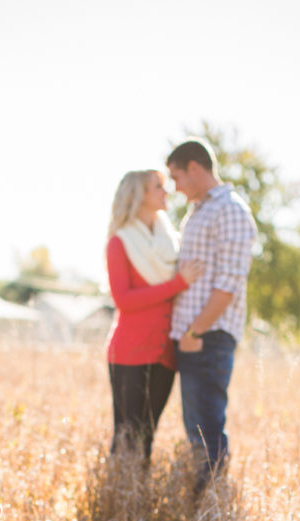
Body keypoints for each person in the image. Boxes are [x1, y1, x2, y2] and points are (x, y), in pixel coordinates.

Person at [167, 138, 257, 489]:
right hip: (194, 335)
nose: (175, 187)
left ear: (195, 167)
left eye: (177, 177)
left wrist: (195, 332)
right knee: (195, 430)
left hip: (208, 336)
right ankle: (202, 505)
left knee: (205, 430)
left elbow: (229, 283)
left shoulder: (229, 209)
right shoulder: (200, 209)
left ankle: (212, 509)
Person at [105, 169, 203, 459]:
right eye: (157, 187)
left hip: (164, 353)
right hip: (129, 352)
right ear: (139, 195)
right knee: (126, 436)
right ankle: (118, 498)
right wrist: (178, 284)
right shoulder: (119, 242)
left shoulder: (171, 241)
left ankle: (137, 501)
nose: (166, 191)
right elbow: (123, 300)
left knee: (147, 435)